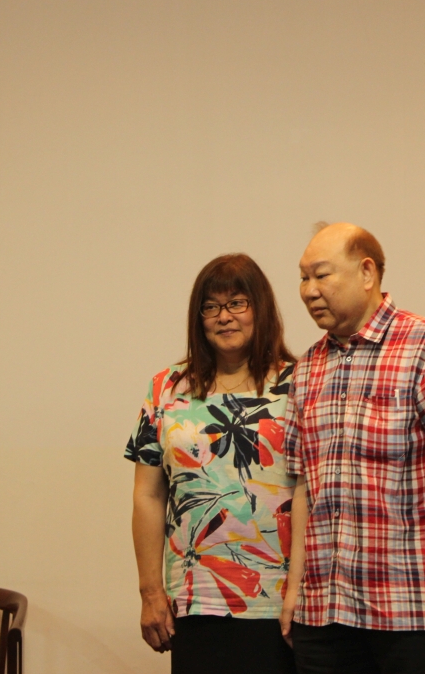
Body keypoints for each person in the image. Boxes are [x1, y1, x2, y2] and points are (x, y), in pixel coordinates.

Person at [279, 223, 425, 674]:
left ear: (367, 272)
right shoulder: (307, 367)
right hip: (325, 611)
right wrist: (295, 588)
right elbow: (303, 486)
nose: (309, 290)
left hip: (411, 607)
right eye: (303, 278)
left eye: (321, 275)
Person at [126, 253, 298, 674]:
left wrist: (300, 590)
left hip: (282, 598)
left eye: (237, 303)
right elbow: (148, 495)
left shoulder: (299, 384)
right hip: (195, 597)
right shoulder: (166, 388)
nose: (224, 316)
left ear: (260, 309)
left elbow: (314, 491)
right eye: (211, 306)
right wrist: (151, 592)